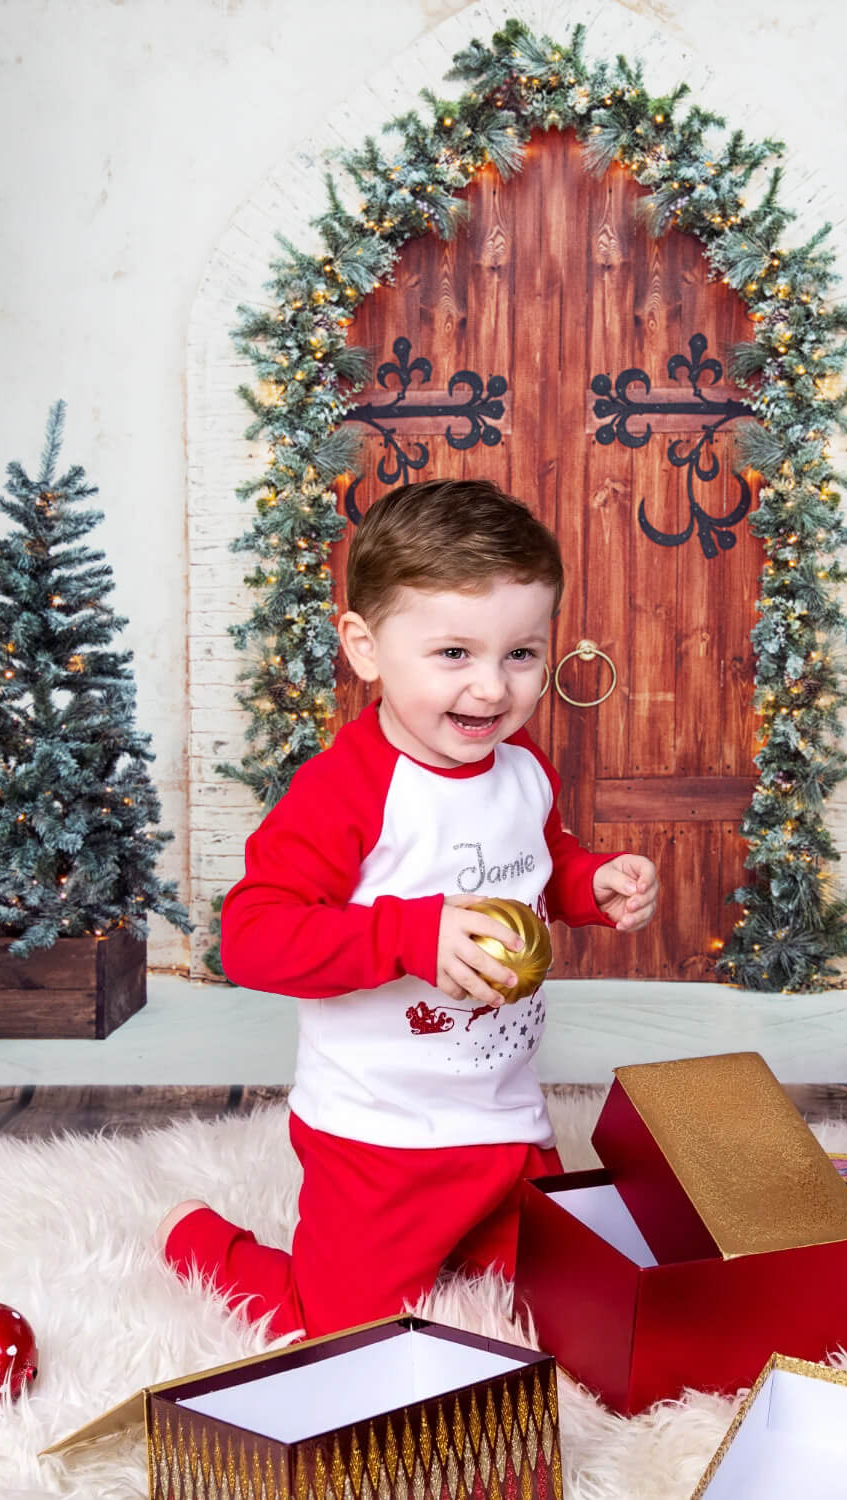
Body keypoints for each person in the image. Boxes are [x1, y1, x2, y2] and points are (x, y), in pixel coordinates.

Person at [158, 476, 659, 1341]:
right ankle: (201, 1241)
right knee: (343, 1330)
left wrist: (592, 883)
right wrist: (408, 932)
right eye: (454, 654)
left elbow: (540, 861)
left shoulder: (522, 764)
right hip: (381, 1139)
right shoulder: (343, 793)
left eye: (522, 654)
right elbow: (251, 938)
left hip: (508, 1123)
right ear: (364, 646)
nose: (492, 691)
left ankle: (478, 1238)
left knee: (565, 1305)